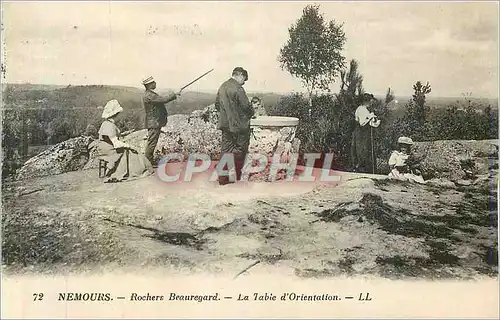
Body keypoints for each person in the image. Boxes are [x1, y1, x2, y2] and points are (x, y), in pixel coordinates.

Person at [97, 99, 153, 183]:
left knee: (128, 150)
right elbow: (116, 143)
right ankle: (135, 170)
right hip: (110, 150)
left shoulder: (105, 123)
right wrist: (130, 146)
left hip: (102, 148)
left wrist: (123, 134)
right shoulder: (110, 126)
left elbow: (109, 137)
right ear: (116, 114)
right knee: (132, 152)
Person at [215, 67, 255, 185]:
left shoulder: (222, 86)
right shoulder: (238, 89)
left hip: (225, 124)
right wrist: (250, 114)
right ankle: (234, 176)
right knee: (240, 150)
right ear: (240, 75)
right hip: (238, 126)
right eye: (244, 79)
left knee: (225, 150)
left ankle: (222, 178)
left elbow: (217, 104)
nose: (244, 82)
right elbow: (246, 107)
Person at [142, 76, 181, 166]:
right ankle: (148, 163)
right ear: (149, 85)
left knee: (152, 142)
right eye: (153, 82)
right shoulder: (149, 95)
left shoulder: (149, 94)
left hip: (154, 122)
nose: (155, 83)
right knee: (152, 143)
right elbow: (163, 100)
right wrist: (174, 94)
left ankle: (149, 161)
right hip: (154, 122)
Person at [350, 93, 381, 173]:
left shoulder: (366, 110)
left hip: (365, 134)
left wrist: (376, 122)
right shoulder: (360, 109)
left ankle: (367, 170)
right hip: (360, 133)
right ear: (366, 101)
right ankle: (359, 169)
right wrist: (370, 117)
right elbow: (362, 123)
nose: (372, 102)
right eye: (371, 100)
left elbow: (369, 123)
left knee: (367, 152)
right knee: (361, 152)